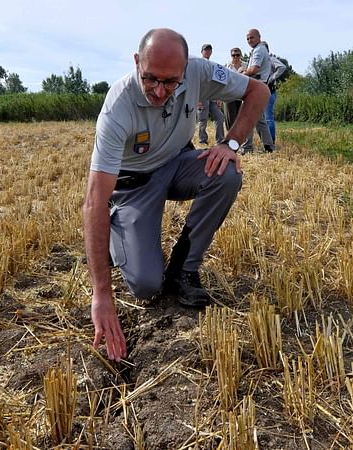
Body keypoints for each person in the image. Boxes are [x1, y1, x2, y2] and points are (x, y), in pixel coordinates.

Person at [84, 28, 270, 362]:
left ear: (186, 71)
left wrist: (230, 143)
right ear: (137, 62)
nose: (159, 91)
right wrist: (102, 294)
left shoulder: (200, 71)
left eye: (170, 82)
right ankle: (119, 232)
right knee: (145, 286)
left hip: (176, 162)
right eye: (150, 79)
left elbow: (259, 91)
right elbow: (94, 200)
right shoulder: (118, 108)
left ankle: (185, 268)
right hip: (134, 185)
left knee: (226, 173)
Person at [240, 28, 275, 152]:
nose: (249, 40)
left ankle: (247, 147)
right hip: (260, 86)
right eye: (247, 39)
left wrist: (242, 73)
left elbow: (254, 69)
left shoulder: (259, 50)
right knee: (259, 120)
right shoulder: (260, 49)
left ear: (259, 37)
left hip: (255, 87)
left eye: (252, 37)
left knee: (247, 117)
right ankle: (269, 146)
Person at [197, 44, 225, 145]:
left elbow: (217, 83)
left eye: (209, 50)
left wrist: (219, 98)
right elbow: (196, 83)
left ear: (211, 52)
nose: (207, 51)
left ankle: (220, 140)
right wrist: (198, 100)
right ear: (202, 51)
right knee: (203, 119)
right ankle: (202, 140)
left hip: (213, 96)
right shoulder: (197, 65)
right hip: (202, 97)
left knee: (220, 117)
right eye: (205, 50)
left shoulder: (214, 65)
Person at [262, 41, 287, 144]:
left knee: (268, 118)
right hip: (262, 92)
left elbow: (282, 67)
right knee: (263, 118)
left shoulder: (270, 59)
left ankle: (271, 142)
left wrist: (272, 78)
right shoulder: (260, 61)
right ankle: (267, 141)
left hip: (269, 90)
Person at [224, 47, 246, 132]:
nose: (236, 57)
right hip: (229, 94)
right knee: (230, 119)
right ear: (231, 56)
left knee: (240, 118)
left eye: (237, 55)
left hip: (241, 94)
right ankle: (230, 139)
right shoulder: (227, 66)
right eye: (233, 55)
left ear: (240, 55)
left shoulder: (245, 65)